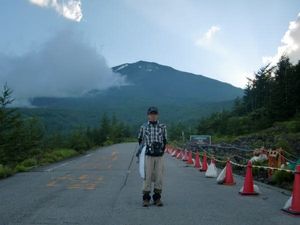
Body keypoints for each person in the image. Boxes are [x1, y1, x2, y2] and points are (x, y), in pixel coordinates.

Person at [136, 106, 167, 207]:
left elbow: (165, 140)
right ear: (148, 115)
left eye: (155, 114)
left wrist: (161, 150)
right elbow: (140, 139)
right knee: (147, 175)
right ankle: (146, 198)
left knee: (159, 176)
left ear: (157, 115)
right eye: (151, 114)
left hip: (160, 155)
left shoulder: (162, 127)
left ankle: (157, 198)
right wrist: (145, 149)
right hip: (148, 155)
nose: (153, 116)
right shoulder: (144, 127)